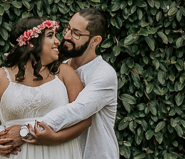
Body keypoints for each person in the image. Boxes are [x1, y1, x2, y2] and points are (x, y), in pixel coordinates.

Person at [0, 17, 93, 159]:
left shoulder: (64, 73)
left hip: (60, 152)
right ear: (31, 43)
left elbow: (85, 119)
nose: (58, 41)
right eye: (51, 36)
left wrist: (53, 139)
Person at [19, 9, 119, 159]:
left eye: (76, 33)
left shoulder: (103, 73)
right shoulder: (59, 67)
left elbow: (78, 110)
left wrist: (29, 129)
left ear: (95, 41)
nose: (66, 36)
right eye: (68, 28)